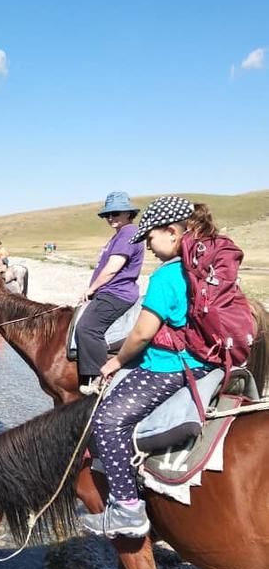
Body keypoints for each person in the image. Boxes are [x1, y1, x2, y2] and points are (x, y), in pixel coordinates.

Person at [79, 196, 219, 539]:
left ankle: (127, 508)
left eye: (151, 239)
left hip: (172, 366)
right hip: (206, 359)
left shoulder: (166, 276)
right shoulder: (204, 268)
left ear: (172, 232)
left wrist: (114, 361)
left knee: (107, 421)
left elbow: (141, 334)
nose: (150, 249)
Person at [76, 192, 145, 395]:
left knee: (87, 328)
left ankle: (98, 379)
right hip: (111, 291)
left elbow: (113, 267)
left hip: (116, 293)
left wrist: (90, 289)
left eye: (115, 213)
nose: (111, 217)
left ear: (128, 213)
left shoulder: (128, 233)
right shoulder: (121, 234)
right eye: (107, 214)